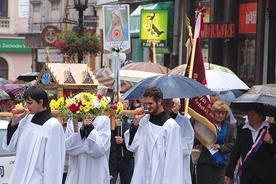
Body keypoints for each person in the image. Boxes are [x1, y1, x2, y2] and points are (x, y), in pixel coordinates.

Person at [2, 86, 65, 184]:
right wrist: (14, 122)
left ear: (40, 102)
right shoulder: (27, 119)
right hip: (19, 178)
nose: (26, 106)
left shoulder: (53, 125)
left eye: (30, 103)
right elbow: (10, 146)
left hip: (37, 180)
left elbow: (54, 163)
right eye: (26, 102)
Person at [124, 86, 184, 184]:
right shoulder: (144, 121)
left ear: (159, 101)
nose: (148, 107)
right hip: (142, 174)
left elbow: (173, 161)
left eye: (150, 103)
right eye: (145, 103)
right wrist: (135, 123)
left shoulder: (171, 126)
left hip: (160, 176)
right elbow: (133, 146)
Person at [225, 104, 276, 184]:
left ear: (261, 116)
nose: (250, 117)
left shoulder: (271, 129)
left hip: (266, 175)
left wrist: (271, 142)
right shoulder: (242, 129)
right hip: (248, 174)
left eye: (253, 114)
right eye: (248, 114)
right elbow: (236, 151)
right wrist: (229, 173)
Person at [195, 100, 236, 184]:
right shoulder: (207, 124)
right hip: (205, 163)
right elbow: (196, 139)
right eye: (218, 113)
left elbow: (233, 143)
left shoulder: (230, 126)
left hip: (221, 164)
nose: (220, 115)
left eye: (223, 113)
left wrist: (221, 147)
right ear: (213, 112)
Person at [65, 114, 111, 184]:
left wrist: (90, 130)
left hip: (96, 168)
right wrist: (81, 131)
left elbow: (101, 149)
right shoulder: (73, 121)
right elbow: (68, 148)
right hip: (78, 167)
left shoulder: (103, 120)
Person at [163, 98, 194, 184]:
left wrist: (168, 146)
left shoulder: (184, 121)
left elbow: (187, 147)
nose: (165, 106)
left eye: (167, 103)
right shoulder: (159, 120)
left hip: (179, 166)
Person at [109, 95, 134, 184]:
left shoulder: (132, 118)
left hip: (127, 158)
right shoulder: (109, 118)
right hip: (113, 159)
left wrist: (123, 140)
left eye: (126, 101)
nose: (125, 104)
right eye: (122, 102)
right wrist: (114, 128)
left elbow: (134, 137)